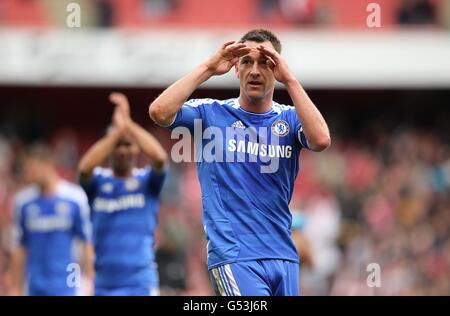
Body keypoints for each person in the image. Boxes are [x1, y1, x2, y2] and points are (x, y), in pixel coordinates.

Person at [149, 29, 330, 296]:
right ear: (236, 68)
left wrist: (290, 80)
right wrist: (208, 67)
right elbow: (159, 112)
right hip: (235, 256)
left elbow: (321, 140)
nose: (255, 70)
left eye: (265, 62)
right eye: (246, 62)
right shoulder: (211, 114)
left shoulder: (290, 119)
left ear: (277, 68)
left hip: (284, 255)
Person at [78, 92, 168, 296]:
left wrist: (127, 124)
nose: (122, 151)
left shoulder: (146, 182)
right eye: (117, 145)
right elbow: (84, 169)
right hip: (104, 283)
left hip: (140, 282)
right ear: (109, 148)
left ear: (137, 149)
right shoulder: (98, 183)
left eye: (127, 144)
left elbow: (160, 159)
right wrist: (116, 134)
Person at [7, 144, 94, 296]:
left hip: (68, 285)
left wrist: (91, 281)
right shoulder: (23, 203)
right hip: (35, 286)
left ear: (47, 165)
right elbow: (20, 247)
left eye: (31, 170)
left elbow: (86, 242)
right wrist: (14, 286)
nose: (28, 175)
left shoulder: (74, 198)